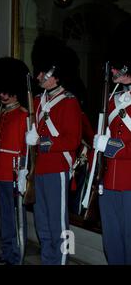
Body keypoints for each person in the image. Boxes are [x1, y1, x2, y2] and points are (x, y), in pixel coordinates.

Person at [26, 35, 82, 265]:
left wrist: (41, 142)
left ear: (55, 73)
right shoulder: (38, 102)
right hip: (39, 169)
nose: (39, 76)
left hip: (58, 168)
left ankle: (61, 261)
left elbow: (72, 140)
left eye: (43, 72)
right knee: (42, 223)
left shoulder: (69, 102)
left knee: (60, 225)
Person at [0, 57, 29, 265]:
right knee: (6, 214)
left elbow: (25, 147)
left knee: (16, 216)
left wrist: (23, 171)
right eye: (1, 90)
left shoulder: (23, 115)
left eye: (7, 91)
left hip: (14, 171)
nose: (2, 95)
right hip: (2, 170)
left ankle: (17, 255)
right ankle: (7, 252)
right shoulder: (4, 113)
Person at [93, 58, 131, 264]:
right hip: (108, 182)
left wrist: (109, 146)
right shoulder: (112, 99)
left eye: (118, 66)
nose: (114, 70)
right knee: (111, 240)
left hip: (129, 183)